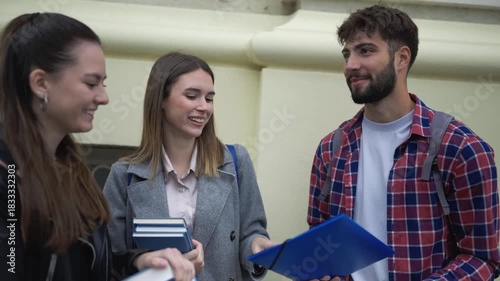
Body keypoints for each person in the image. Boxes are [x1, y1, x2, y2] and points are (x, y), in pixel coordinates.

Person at [307, 4, 499, 281]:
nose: (350, 65)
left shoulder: (460, 149)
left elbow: (483, 257)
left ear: (401, 58)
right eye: (347, 54)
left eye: (366, 50)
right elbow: (320, 241)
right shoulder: (332, 149)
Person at [0, 13, 195, 281]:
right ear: (40, 83)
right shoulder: (7, 178)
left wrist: (139, 263)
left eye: (103, 83)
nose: (104, 97)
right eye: (91, 83)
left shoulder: (70, 170)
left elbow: (87, 265)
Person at [103, 51, 274, 280]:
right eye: (192, 96)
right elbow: (111, 259)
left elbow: (250, 233)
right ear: (161, 100)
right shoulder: (124, 175)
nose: (204, 107)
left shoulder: (236, 161)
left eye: (209, 98)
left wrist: (257, 246)